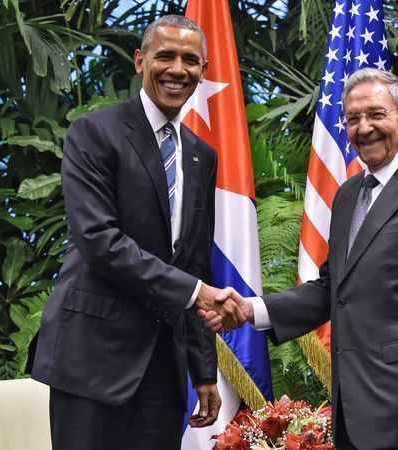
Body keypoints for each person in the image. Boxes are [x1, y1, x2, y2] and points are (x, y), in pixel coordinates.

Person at [202, 68, 398, 450]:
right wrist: (252, 309)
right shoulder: (350, 194)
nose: (363, 128)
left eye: (375, 114)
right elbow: (333, 289)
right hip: (354, 410)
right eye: (352, 119)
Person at [31, 15, 243, 450]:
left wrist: (203, 371)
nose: (177, 69)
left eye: (191, 60)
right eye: (165, 56)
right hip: (91, 359)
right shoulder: (94, 133)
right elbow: (99, 242)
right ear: (139, 60)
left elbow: (194, 262)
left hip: (162, 371)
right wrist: (195, 292)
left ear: (204, 69)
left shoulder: (202, 156)